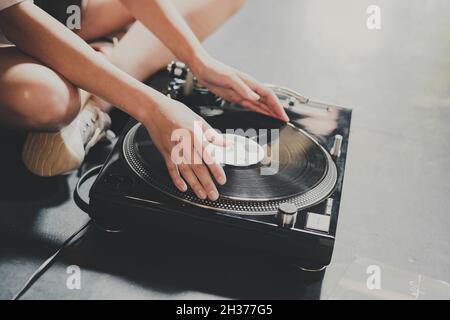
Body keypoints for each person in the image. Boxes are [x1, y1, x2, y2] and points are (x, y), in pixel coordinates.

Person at [0, 0, 289, 201]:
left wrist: (199, 61)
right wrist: (152, 108)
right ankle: (103, 68)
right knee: (42, 98)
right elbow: (18, 22)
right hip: (14, 28)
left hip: (65, 11)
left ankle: (97, 83)